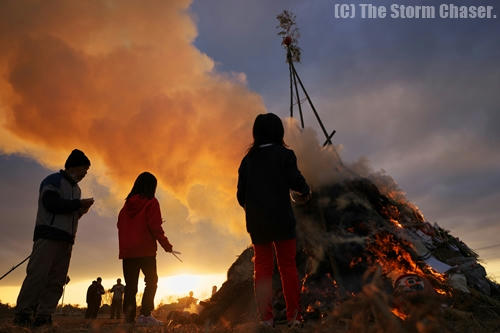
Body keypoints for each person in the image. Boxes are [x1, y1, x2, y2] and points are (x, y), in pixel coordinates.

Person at [237, 113, 310, 328]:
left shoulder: (247, 160)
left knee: (262, 269)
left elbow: (241, 195)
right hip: (282, 220)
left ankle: (266, 319)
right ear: (279, 132)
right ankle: (293, 317)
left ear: (256, 133)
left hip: (257, 223)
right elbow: (296, 181)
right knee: (288, 267)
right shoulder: (285, 155)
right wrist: (306, 192)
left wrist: (253, 209)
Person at [13, 149, 94, 327]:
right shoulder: (53, 181)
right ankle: (23, 314)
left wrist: (80, 210)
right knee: (37, 276)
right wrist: (77, 204)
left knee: (57, 281)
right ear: (74, 166)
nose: (84, 174)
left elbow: (68, 214)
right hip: (48, 236)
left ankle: (44, 316)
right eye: (83, 169)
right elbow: (51, 205)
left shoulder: (77, 189)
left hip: (67, 240)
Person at [117, 172, 174, 325]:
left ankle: (128, 319)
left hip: (128, 252)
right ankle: (145, 315)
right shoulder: (152, 202)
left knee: (130, 286)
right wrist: (166, 245)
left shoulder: (126, 205)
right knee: (151, 281)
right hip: (145, 250)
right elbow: (155, 226)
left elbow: (119, 225)